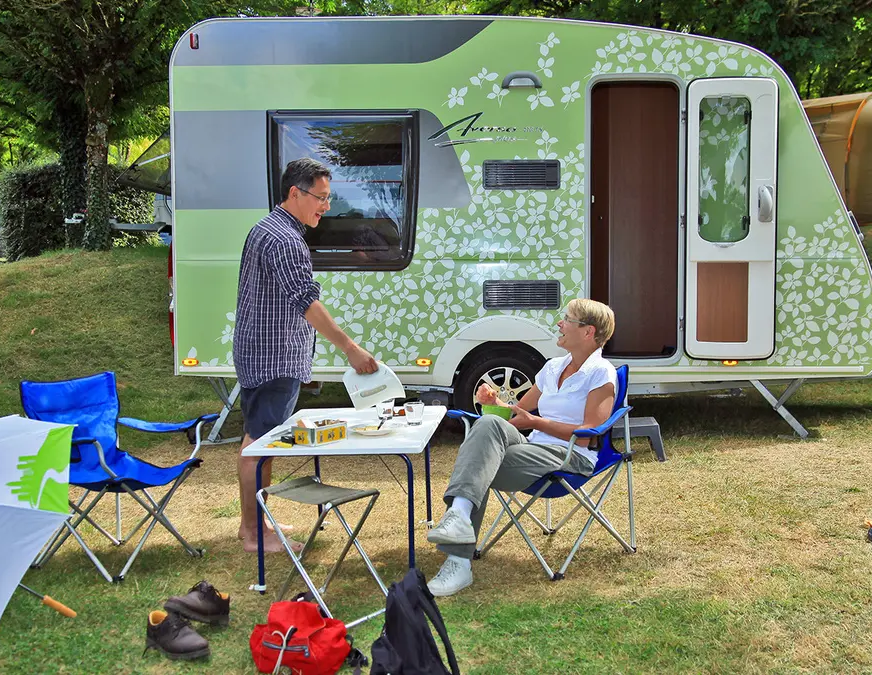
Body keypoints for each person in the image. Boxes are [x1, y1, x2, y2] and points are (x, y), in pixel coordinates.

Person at [425, 298, 618, 596]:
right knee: (486, 426)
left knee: (477, 463)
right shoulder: (553, 367)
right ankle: (459, 520)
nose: (559, 323)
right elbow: (518, 413)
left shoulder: (601, 374)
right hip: (533, 448)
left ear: (588, 332)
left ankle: (458, 557)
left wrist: (537, 423)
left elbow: (586, 434)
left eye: (567, 319)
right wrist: (494, 404)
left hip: (569, 456)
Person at [234, 157, 378, 554]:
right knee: (260, 445)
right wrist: (350, 348)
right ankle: (253, 533)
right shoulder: (283, 238)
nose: (326, 207)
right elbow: (306, 301)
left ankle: (255, 522)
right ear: (295, 192)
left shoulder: (269, 228)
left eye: (329, 199)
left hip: (262, 353)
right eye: (321, 197)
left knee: (259, 441)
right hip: (273, 358)